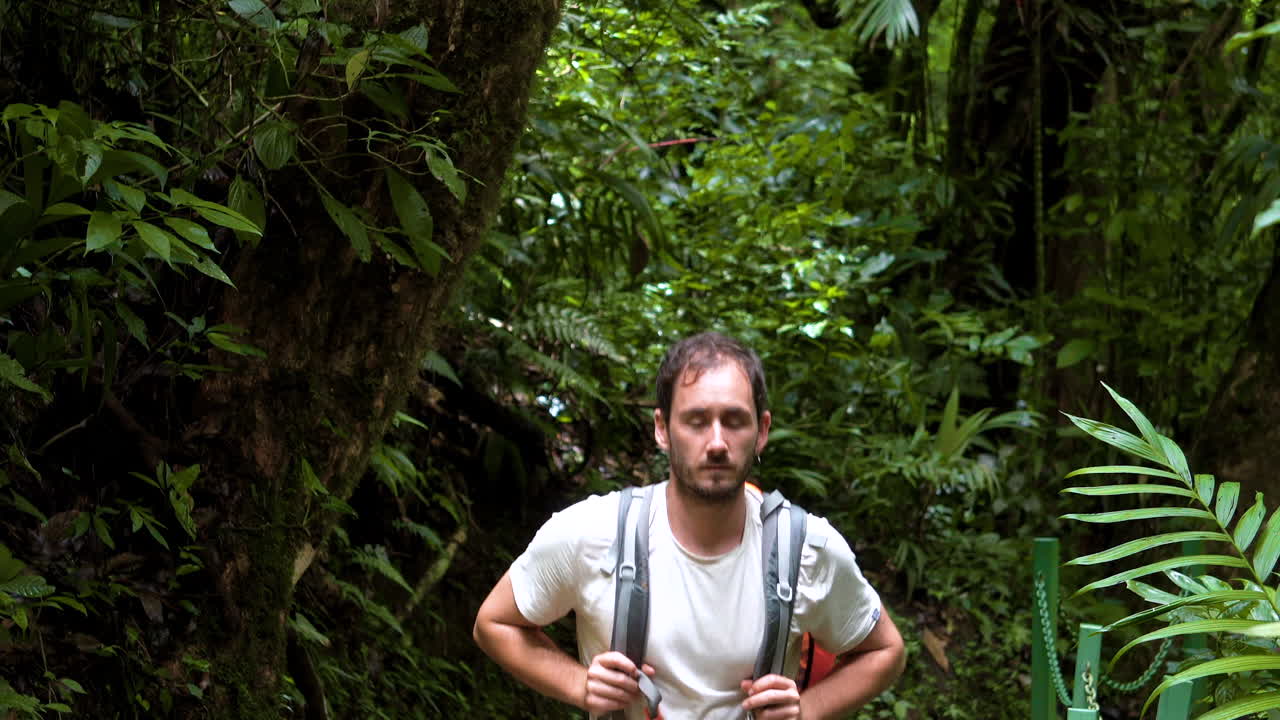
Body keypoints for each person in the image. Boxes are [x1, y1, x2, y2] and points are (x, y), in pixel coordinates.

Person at [474, 332, 905, 719]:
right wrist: (579, 684)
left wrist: (805, 710)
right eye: (696, 421)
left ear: (761, 431)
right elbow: (495, 623)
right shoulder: (593, 532)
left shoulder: (806, 549)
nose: (716, 443)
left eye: (734, 420)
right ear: (662, 429)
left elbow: (885, 650)